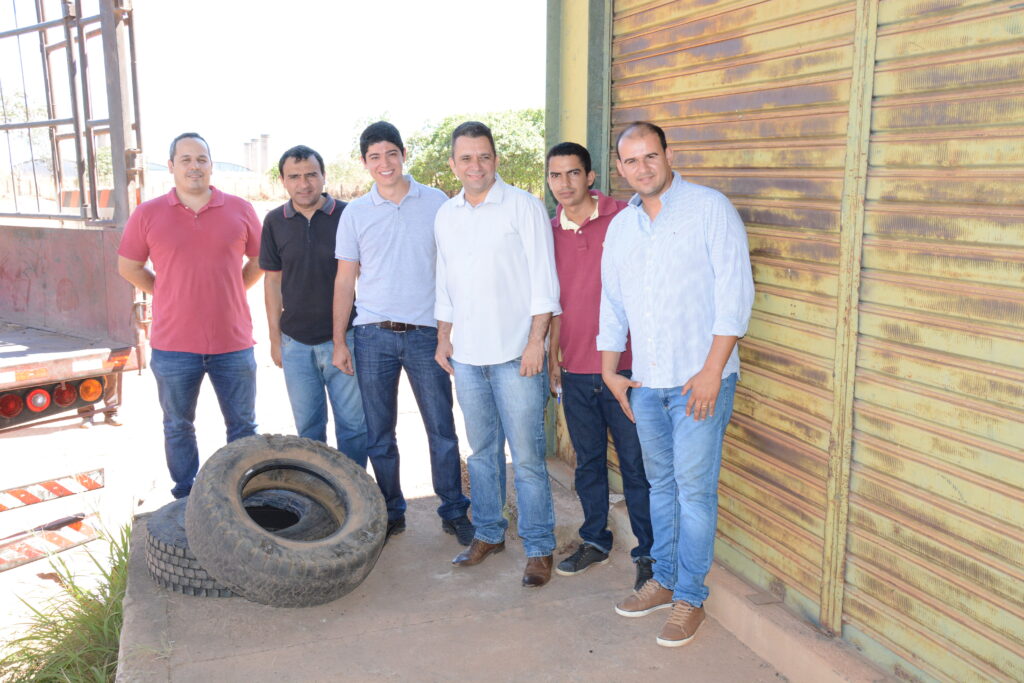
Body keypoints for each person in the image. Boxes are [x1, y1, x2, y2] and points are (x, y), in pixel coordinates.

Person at [598, 122, 754, 647]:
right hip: (646, 384)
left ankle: (690, 596)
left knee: (694, 492)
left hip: (698, 384)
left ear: (668, 155)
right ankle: (663, 579)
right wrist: (609, 370)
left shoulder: (710, 208)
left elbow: (735, 294)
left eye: (650, 156)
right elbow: (612, 303)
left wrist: (712, 371)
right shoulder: (622, 227)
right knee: (660, 488)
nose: (642, 168)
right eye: (631, 161)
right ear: (620, 168)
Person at [434, 121, 561, 587]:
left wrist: (535, 343)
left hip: (515, 356)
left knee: (527, 459)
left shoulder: (523, 207)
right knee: (482, 454)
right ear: (453, 164)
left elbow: (544, 281)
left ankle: (539, 547)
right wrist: (444, 338)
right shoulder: (446, 215)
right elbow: (444, 282)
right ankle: (488, 533)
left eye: (484, 156)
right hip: (467, 358)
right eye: (466, 158)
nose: (476, 166)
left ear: (496, 160)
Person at [333, 122, 471, 544]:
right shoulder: (355, 213)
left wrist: (449, 331)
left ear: (403, 154)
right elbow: (344, 280)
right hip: (372, 335)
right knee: (379, 433)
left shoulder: (436, 202)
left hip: (426, 333)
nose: (384, 163)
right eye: (374, 157)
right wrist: (339, 341)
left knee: (441, 427)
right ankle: (392, 510)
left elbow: (453, 267)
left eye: (391, 153)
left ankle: (453, 509)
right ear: (364, 162)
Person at [117, 132, 262, 499]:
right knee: (178, 426)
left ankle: (241, 497)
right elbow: (129, 266)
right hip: (174, 345)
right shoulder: (148, 213)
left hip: (233, 341)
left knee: (243, 427)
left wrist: (233, 288)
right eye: (185, 159)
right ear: (171, 167)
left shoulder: (240, 209)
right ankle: (186, 497)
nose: (194, 166)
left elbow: (260, 260)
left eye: (201, 159)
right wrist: (166, 291)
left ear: (211, 165)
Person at [545, 142, 654, 591]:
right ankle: (594, 539)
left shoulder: (624, 218)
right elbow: (551, 302)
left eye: (573, 173)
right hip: (574, 369)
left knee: (636, 466)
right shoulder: (548, 232)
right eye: (555, 175)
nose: (564, 183)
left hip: (626, 370)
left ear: (590, 177)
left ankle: (649, 553)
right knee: (588, 463)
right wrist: (553, 356)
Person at [260, 145, 367, 466]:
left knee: (354, 427)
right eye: (294, 177)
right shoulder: (274, 221)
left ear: (323, 176)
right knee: (308, 430)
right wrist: (275, 339)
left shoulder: (349, 215)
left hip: (345, 339)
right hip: (295, 344)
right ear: (283, 180)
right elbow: (272, 282)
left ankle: (353, 489)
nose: (303, 184)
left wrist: (344, 338)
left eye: (310, 175)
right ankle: (318, 490)